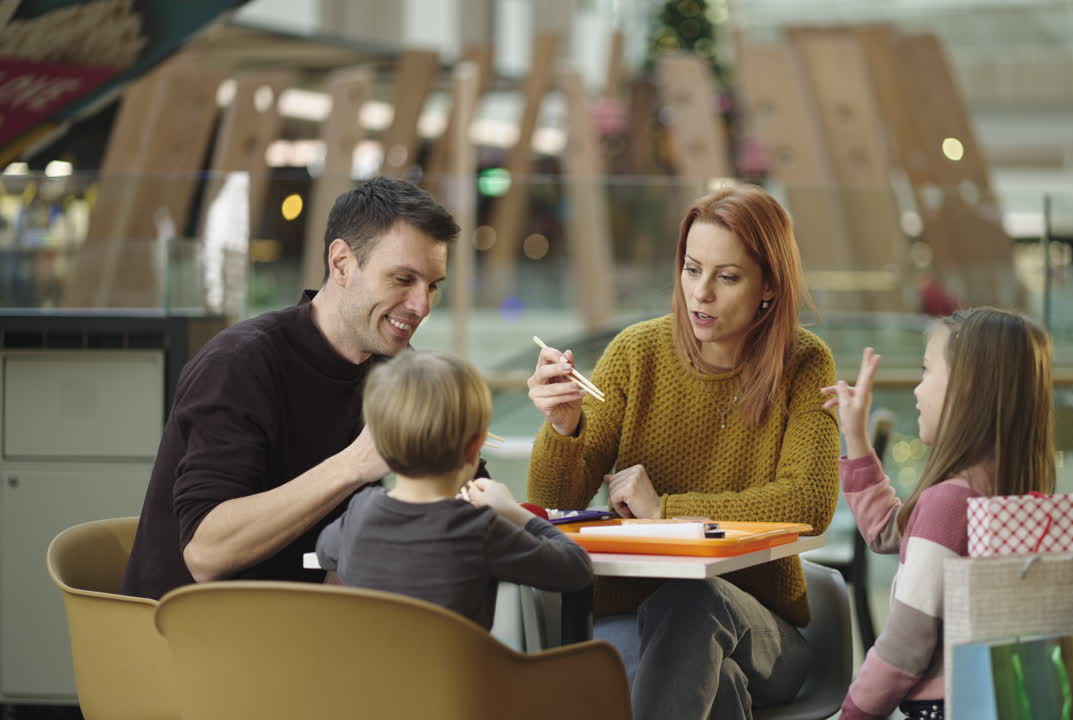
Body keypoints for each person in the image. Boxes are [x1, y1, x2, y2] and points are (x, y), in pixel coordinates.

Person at [526, 185, 841, 720]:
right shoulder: (635, 354)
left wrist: (664, 513)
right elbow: (553, 504)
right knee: (717, 686)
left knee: (695, 600)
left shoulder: (804, 364)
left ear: (768, 286)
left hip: (762, 628)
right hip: (631, 621)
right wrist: (564, 427)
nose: (701, 294)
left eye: (727, 276)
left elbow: (808, 504)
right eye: (692, 269)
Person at [122, 176, 469, 599]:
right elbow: (206, 554)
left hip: (311, 624)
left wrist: (560, 431)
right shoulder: (239, 364)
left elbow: (464, 489)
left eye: (432, 286)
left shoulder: (396, 367)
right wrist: (356, 463)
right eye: (402, 280)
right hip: (200, 636)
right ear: (341, 263)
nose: (422, 306)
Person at [826, 308, 1056, 720]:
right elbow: (886, 531)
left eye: (926, 370)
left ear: (966, 386)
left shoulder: (948, 503)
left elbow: (904, 649)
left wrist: (852, 713)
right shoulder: (1002, 488)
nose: (916, 389)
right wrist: (857, 437)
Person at [314, 350, 591, 628]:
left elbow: (325, 550)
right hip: (461, 672)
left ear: (381, 448)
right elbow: (576, 569)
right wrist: (514, 513)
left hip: (370, 672)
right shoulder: (479, 529)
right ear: (474, 450)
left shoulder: (360, 512)